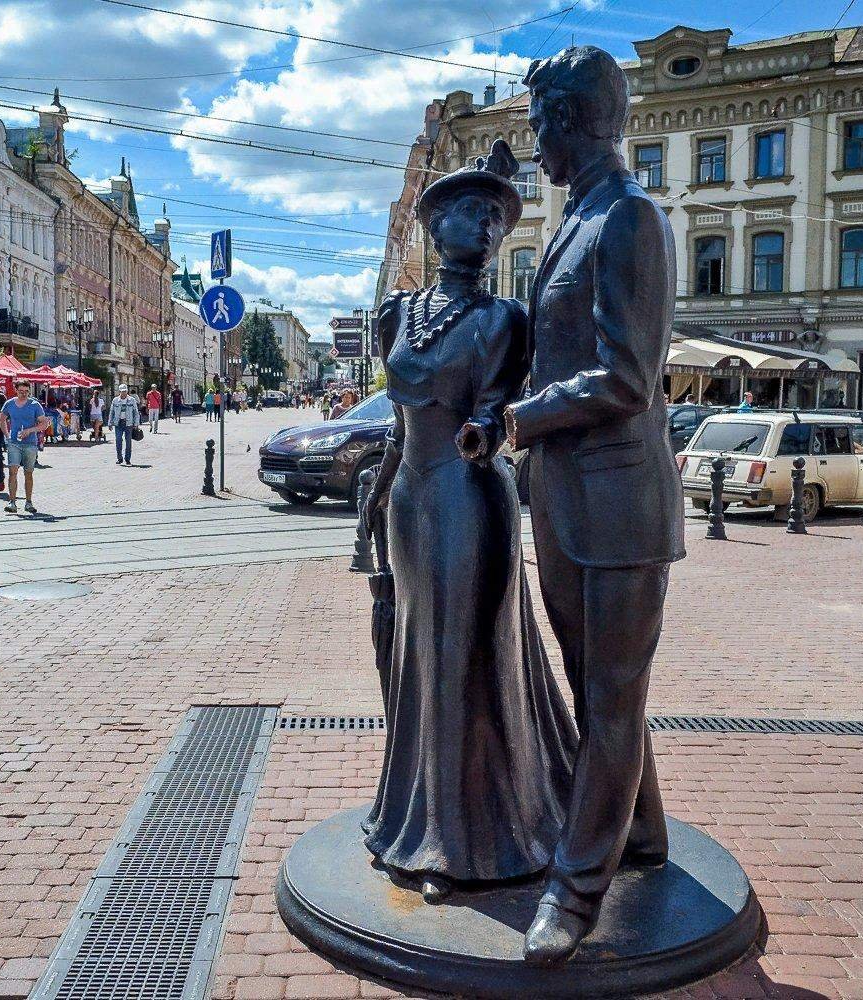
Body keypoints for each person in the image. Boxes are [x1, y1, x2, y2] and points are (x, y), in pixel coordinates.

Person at [503, 47, 682, 963]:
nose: (534, 146)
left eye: (538, 125)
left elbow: (628, 375)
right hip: (568, 505)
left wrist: (521, 419)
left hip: (620, 508)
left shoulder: (631, 221)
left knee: (611, 698)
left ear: (574, 118)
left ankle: (575, 894)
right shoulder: (572, 224)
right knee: (599, 689)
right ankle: (640, 831)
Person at [363, 138, 574, 905]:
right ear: (434, 223)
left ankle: (456, 843)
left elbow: (495, 407)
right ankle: (409, 820)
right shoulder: (396, 316)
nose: (485, 227)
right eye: (469, 212)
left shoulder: (502, 320)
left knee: (458, 659)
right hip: (411, 501)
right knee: (417, 657)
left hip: (467, 494)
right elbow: (396, 423)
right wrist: (373, 504)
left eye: (495, 216)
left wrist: (491, 429)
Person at [1, 380, 50, 514]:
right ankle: (12, 502)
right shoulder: (9, 403)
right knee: (12, 472)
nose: (24, 394)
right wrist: (7, 435)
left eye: (26, 392)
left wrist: (30, 430)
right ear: (16, 390)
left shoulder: (35, 405)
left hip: (30, 443)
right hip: (14, 443)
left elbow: (44, 424)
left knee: (28, 473)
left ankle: (28, 502)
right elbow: (2, 418)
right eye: (21, 391)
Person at [108, 384, 141, 465]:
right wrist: (110, 423)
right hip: (118, 423)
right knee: (118, 440)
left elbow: (136, 412)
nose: (124, 393)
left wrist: (136, 423)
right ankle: (119, 458)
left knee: (128, 441)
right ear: (120, 391)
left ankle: (127, 459)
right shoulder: (115, 400)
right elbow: (111, 412)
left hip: (128, 423)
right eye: (122, 391)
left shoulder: (132, 400)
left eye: (125, 391)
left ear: (127, 391)